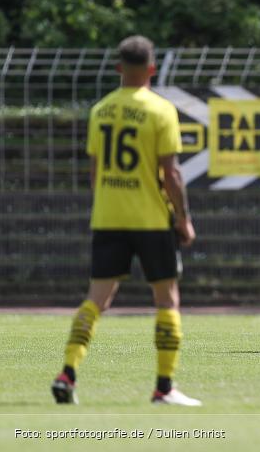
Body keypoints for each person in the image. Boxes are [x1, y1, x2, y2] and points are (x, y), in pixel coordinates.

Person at [51, 35, 201, 405]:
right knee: (167, 300)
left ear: (119, 68)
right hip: (150, 219)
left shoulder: (100, 110)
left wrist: (105, 204)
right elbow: (172, 174)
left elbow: (95, 169)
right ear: (151, 69)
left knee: (96, 300)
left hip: (108, 217)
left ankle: (67, 373)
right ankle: (164, 387)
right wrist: (183, 219)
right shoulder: (160, 110)